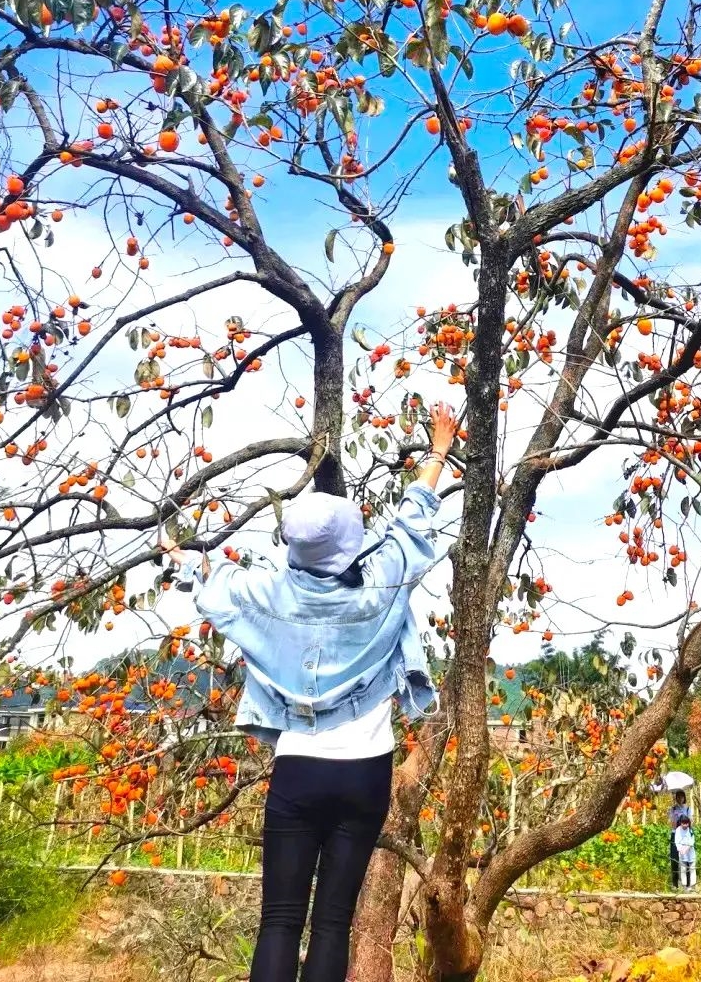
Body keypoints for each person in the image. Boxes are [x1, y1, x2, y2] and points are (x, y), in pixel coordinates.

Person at [166, 402, 458, 982]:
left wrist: (184, 559)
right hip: (365, 772)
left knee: (278, 920)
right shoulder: (383, 581)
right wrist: (439, 451)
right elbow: (413, 521)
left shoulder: (266, 591)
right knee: (333, 922)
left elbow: (211, 582)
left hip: (298, 767)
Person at [672, 814, 697, 890]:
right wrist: (680, 849)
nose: (685, 825)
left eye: (687, 823)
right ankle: (684, 884)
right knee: (683, 868)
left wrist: (687, 847)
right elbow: (677, 841)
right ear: (680, 823)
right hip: (682, 851)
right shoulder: (678, 830)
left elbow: (692, 841)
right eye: (684, 823)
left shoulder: (690, 830)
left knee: (692, 867)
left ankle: (692, 885)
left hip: (690, 851)